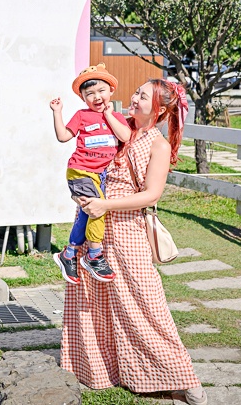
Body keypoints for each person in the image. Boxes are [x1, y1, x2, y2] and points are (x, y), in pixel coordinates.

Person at [61, 78, 207, 405]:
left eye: (141, 95)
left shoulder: (158, 144)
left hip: (127, 230)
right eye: (136, 90)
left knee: (145, 302)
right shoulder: (118, 126)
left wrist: (105, 205)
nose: (133, 97)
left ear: (158, 108)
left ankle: (182, 377)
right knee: (92, 300)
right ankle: (100, 370)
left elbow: (151, 195)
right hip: (93, 224)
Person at [49, 64, 132, 284]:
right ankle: (94, 256)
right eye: (89, 94)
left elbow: (124, 136)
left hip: (99, 175)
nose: (96, 97)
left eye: (101, 91)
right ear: (83, 98)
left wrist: (109, 115)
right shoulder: (82, 116)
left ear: (111, 91)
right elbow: (63, 136)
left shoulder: (117, 118)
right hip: (80, 171)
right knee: (97, 210)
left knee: (86, 213)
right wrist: (57, 113)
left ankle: (68, 254)